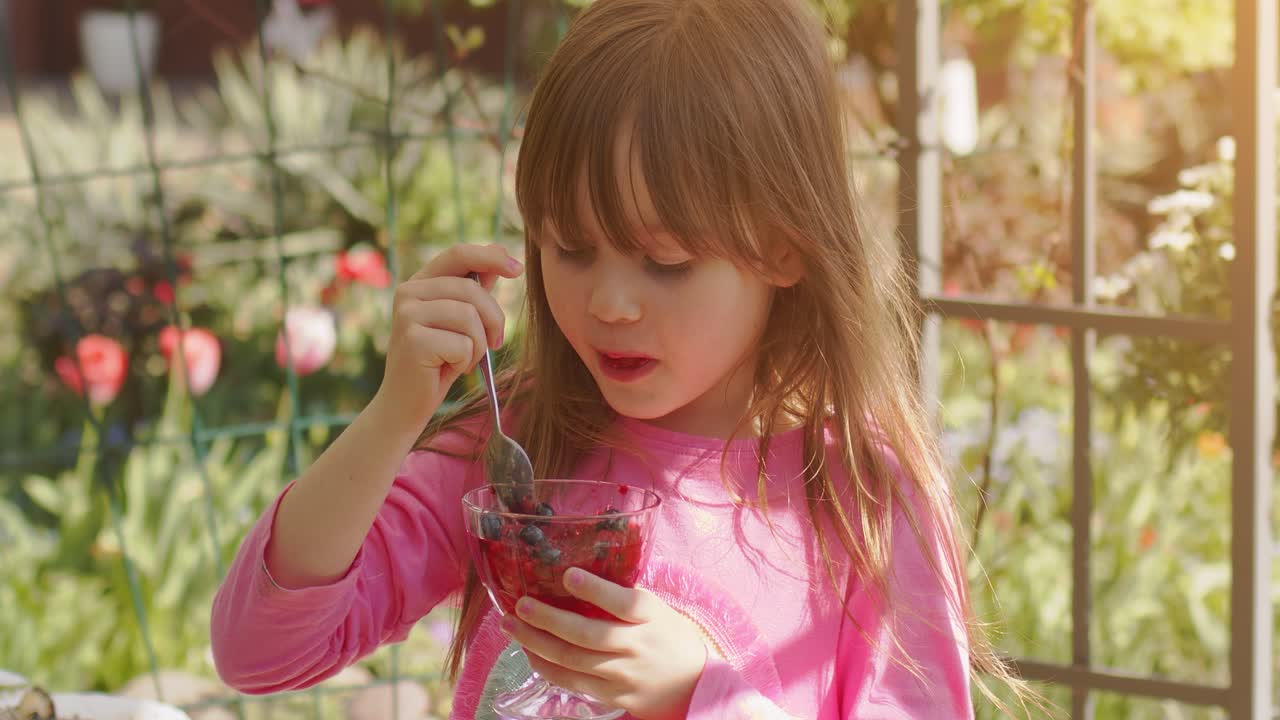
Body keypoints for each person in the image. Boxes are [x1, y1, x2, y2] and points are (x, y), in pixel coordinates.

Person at [211, 0, 1029, 717]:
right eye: (569, 247)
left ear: (785, 247)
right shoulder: (515, 457)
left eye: (664, 262)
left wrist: (701, 694)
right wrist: (394, 418)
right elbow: (260, 653)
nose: (608, 303)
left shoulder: (859, 502)